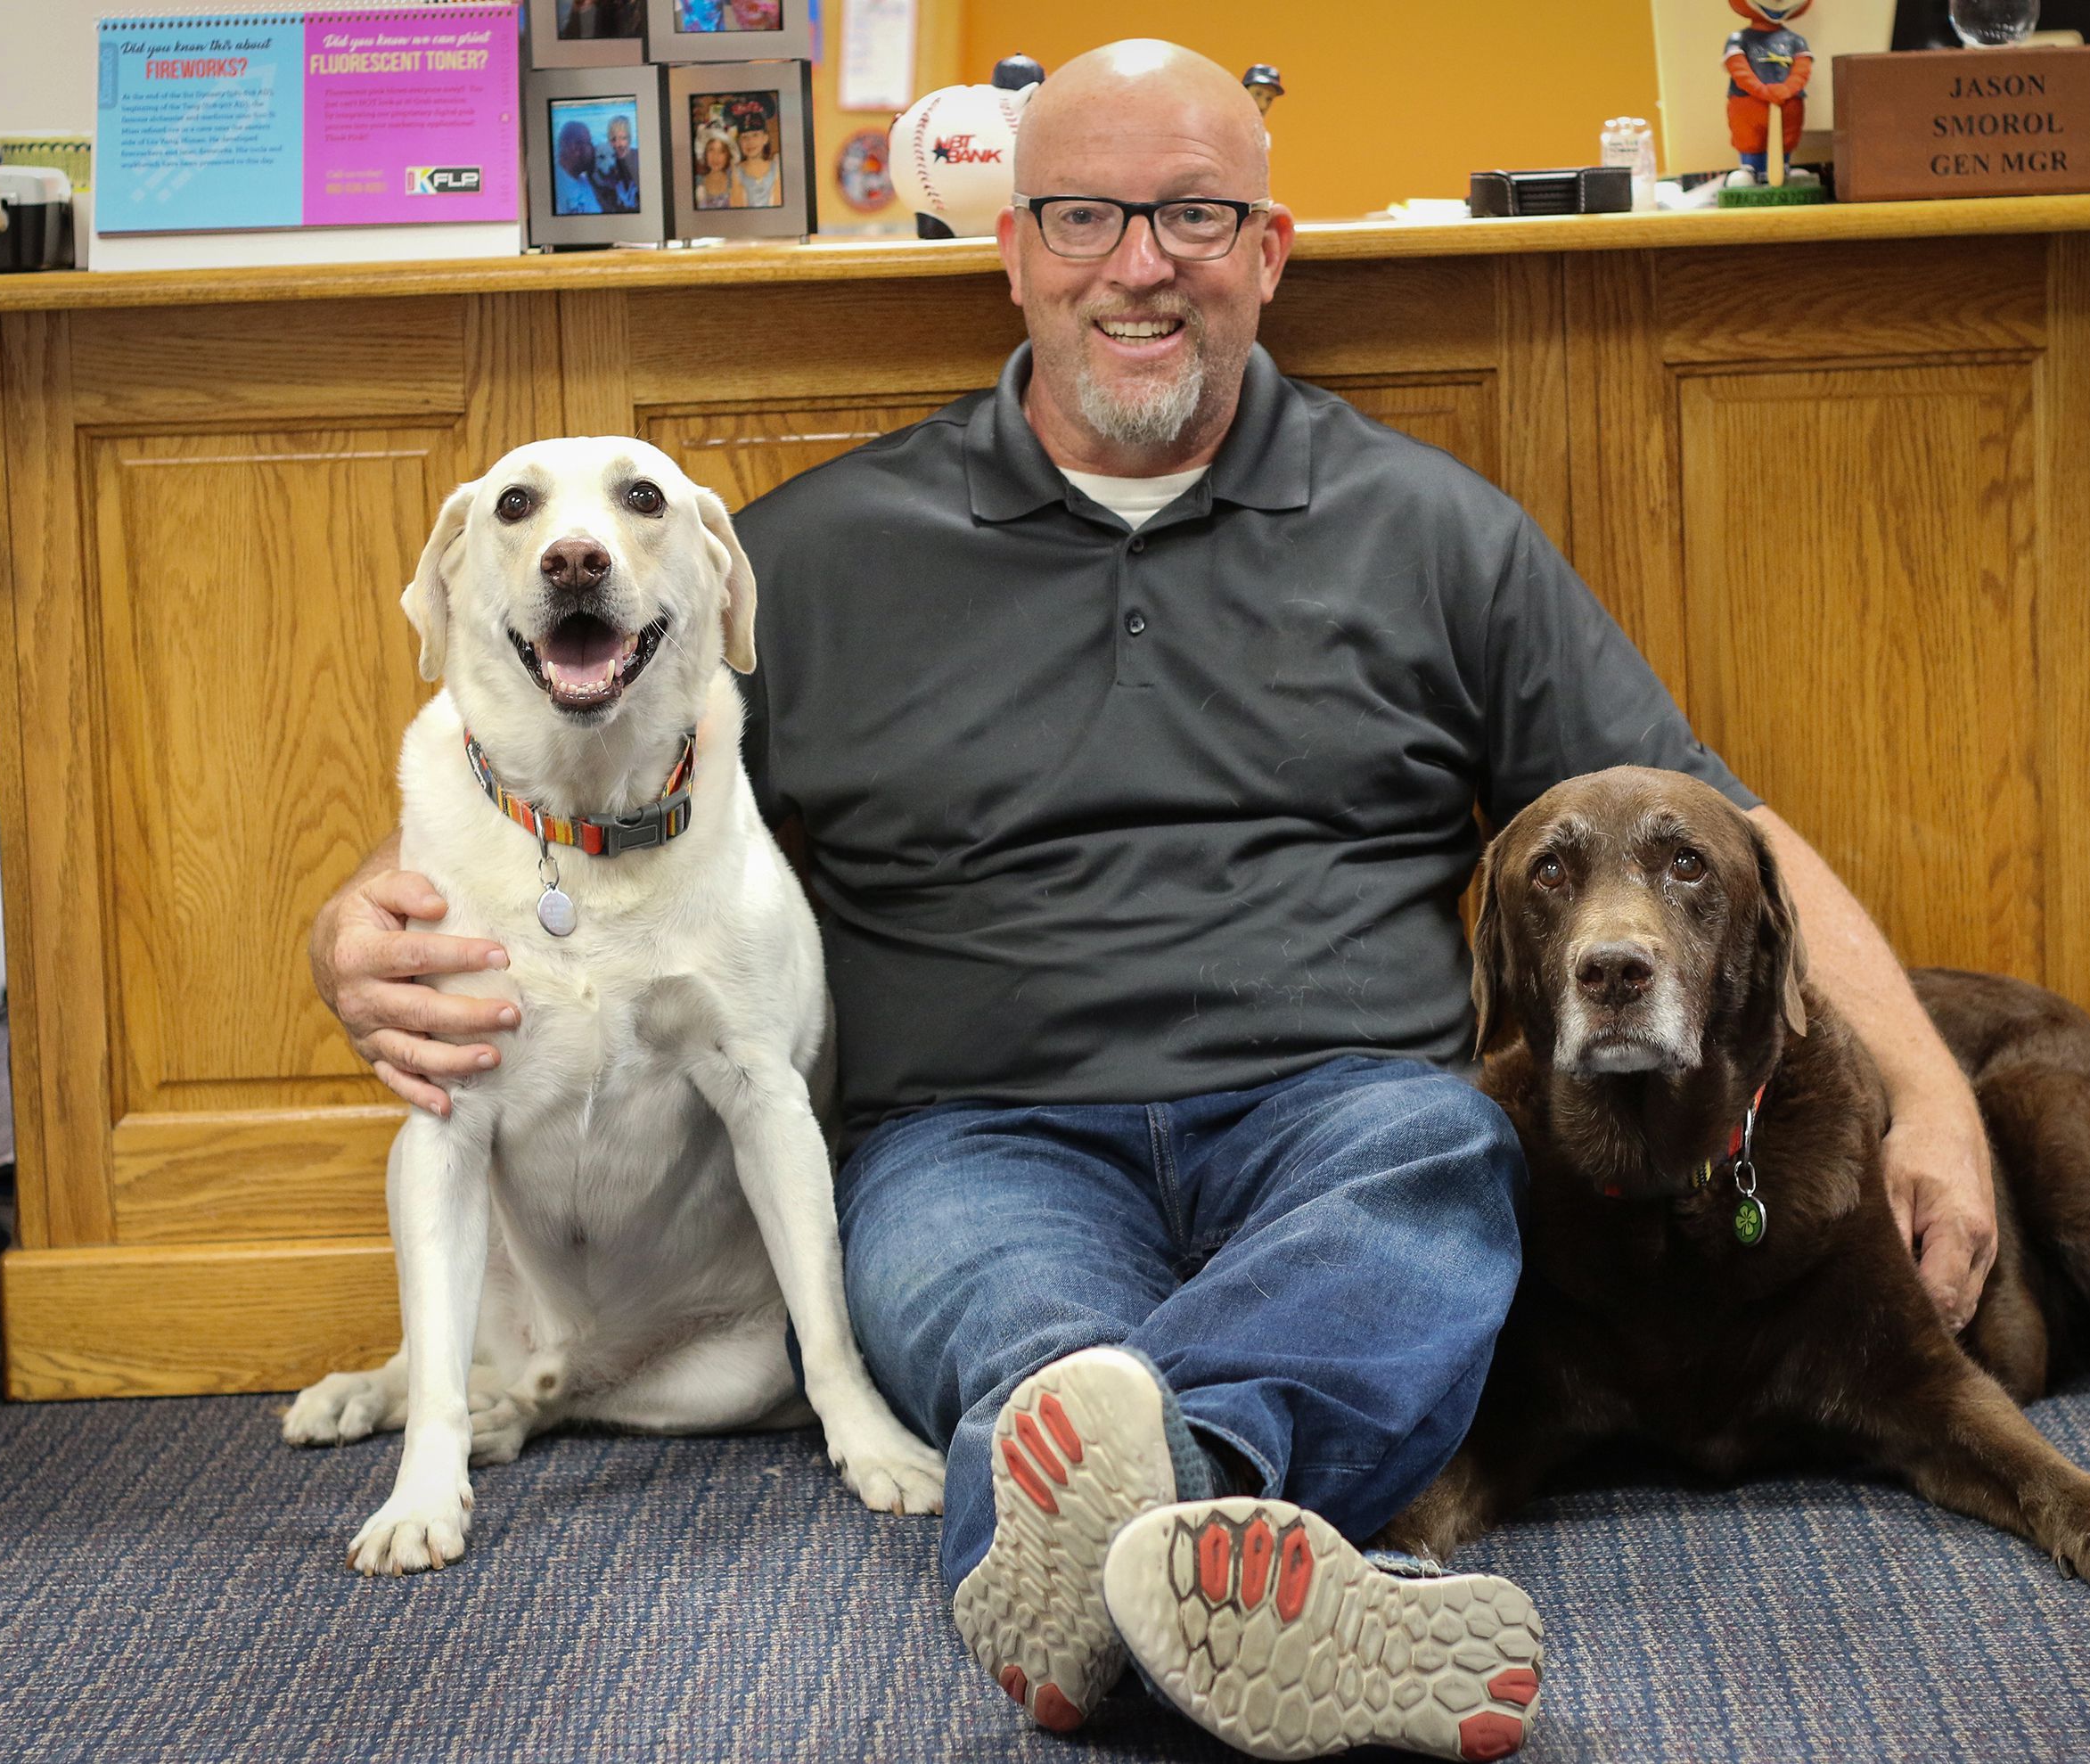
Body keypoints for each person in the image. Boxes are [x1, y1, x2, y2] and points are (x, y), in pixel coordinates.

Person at [310, 40, 1998, 1759]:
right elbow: (560, 762)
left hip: (1338, 1114)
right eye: (1086, 214)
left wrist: (1925, 1091)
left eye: (1193, 213)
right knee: (1023, 1327)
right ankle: (1233, 1558)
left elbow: (1725, 826)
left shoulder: (1430, 530)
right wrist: (364, 916)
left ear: (1267, 250)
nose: (1140, 262)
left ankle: (1115, 1553)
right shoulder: (814, 555)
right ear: (1014, 249)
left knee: (1444, 1168)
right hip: (973, 1132)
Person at [550, 120, 602, 217]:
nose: (593, 149)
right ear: (575, 147)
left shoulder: (583, 181)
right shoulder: (555, 185)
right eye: (589, 143)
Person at [732, 119, 781, 209]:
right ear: (739, 142)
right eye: (744, 137)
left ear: (765, 138)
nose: (750, 141)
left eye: (755, 135)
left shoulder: (777, 168)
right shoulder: (736, 172)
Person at [694, 131, 737, 209]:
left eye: (722, 151)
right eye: (711, 150)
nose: (715, 157)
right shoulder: (697, 182)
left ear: (728, 155)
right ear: (705, 153)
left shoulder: (734, 181)